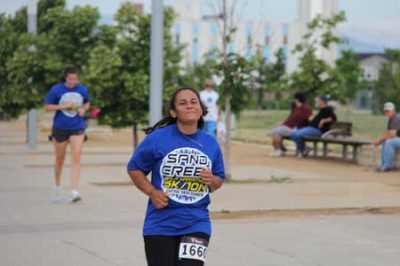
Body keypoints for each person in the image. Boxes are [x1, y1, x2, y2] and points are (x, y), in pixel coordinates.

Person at [127, 87, 225, 266]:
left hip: (196, 222)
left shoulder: (210, 143)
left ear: (201, 109)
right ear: (173, 112)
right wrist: (152, 192)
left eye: (194, 102)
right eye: (183, 103)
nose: (189, 106)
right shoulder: (157, 139)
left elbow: (219, 179)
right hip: (160, 224)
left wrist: (212, 181)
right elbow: (135, 168)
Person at [45, 65, 90, 202]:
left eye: (75, 79)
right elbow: (47, 106)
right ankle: (57, 186)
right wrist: (64, 106)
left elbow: (86, 103)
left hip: (77, 126)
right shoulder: (56, 90)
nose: (73, 81)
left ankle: (74, 191)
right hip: (60, 128)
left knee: (76, 157)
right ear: (66, 78)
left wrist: (83, 109)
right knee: (60, 159)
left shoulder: (82, 89)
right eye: (70, 79)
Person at [269, 92, 312, 157]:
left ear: (296, 100)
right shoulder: (297, 108)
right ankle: (281, 149)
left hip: (296, 128)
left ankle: (279, 151)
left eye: (294, 99)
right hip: (290, 127)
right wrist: (281, 124)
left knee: (275, 132)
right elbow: (290, 119)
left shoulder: (305, 108)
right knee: (274, 131)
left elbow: (309, 119)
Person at [373, 102, 400, 172]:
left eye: (388, 111)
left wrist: (379, 140)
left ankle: (388, 166)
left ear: (393, 111)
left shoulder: (397, 118)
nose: (387, 113)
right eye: (386, 111)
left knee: (389, 142)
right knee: (385, 142)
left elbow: (392, 134)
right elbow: (388, 134)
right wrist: (380, 141)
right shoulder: (391, 119)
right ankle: (383, 165)